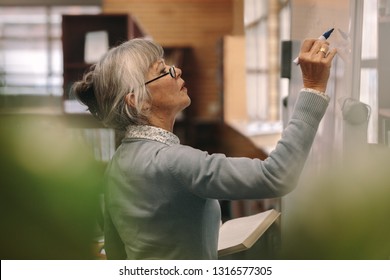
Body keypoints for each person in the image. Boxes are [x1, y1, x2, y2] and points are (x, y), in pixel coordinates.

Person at [71, 38, 337, 260]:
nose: (177, 71)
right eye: (163, 70)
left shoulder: (119, 161)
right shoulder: (173, 161)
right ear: (138, 102)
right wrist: (313, 89)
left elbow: (118, 253)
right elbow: (276, 175)